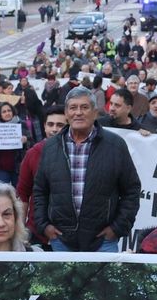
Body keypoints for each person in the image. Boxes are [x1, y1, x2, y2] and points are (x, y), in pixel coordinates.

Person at [32, 86, 141, 253]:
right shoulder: (51, 147)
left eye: (84, 107)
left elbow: (131, 190)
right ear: (67, 114)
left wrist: (117, 228)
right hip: (61, 241)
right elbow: (40, 190)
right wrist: (44, 226)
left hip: (103, 243)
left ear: (95, 112)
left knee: (103, 281)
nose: (78, 112)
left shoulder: (115, 145)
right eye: (73, 107)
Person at [17, 105, 67, 235]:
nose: (54, 129)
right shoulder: (33, 153)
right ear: (44, 126)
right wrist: (20, 232)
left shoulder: (78, 154)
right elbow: (23, 194)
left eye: (60, 125)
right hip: (37, 230)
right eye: (50, 124)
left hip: (69, 232)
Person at [0, 101, 27, 184]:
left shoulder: (21, 125)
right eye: (4, 112)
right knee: (1, 193)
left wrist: (26, 141)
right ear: (0, 114)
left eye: (9, 110)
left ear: (13, 111)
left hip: (18, 167)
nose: (7, 113)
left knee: (19, 193)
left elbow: (31, 144)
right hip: (1, 168)